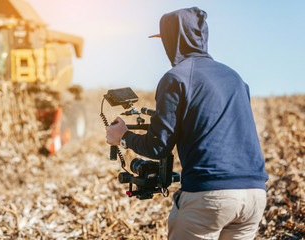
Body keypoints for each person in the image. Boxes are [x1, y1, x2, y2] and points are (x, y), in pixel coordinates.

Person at [106, 7, 268, 240]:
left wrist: (123, 135)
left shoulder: (177, 77)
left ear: (173, 40)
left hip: (210, 196)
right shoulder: (235, 77)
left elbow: (156, 147)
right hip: (255, 195)